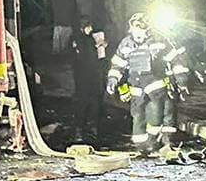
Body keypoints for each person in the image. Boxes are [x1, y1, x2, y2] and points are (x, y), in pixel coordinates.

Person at [105, 12, 189, 157]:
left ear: (147, 29)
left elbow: (175, 59)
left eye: (140, 27)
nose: (137, 31)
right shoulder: (126, 44)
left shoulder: (159, 41)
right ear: (130, 28)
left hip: (155, 86)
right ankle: (142, 147)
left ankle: (154, 143)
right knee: (137, 117)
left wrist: (181, 80)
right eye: (135, 28)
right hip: (136, 88)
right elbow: (118, 64)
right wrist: (113, 80)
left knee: (155, 115)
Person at [68, 15, 111, 139]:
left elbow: (100, 58)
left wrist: (103, 46)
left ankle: (93, 127)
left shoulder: (91, 38)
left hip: (95, 75)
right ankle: (80, 128)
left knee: (95, 101)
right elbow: (79, 56)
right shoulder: (78, 39)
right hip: (83, 76)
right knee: (83, 102)